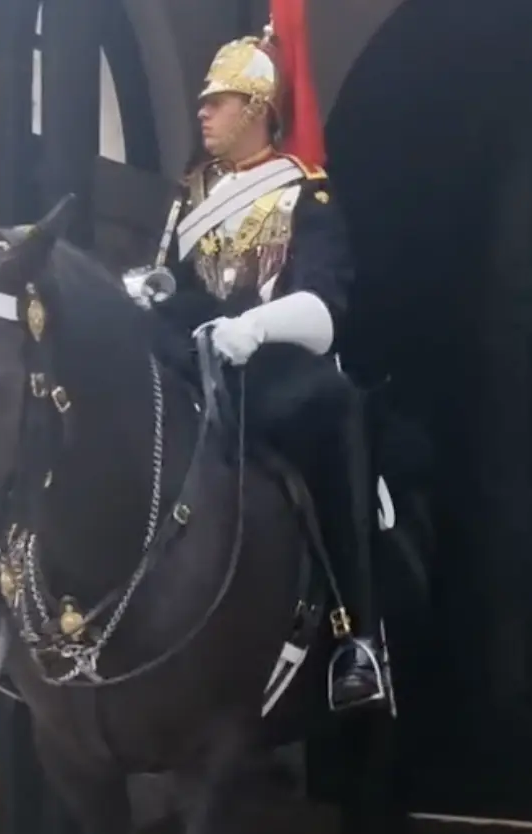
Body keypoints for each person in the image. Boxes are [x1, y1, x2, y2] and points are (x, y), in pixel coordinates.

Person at [121, 0, 389, 714]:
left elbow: (324, 312)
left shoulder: (305, 189)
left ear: (258, 106)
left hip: (272, 371)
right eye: (205, 101)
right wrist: (149, 292)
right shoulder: (191, 196)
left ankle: (357, 640)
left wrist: (253, 330)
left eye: (219, 101)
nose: (204, 114)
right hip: (194, 366)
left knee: (334, 416)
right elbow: (175, 284)